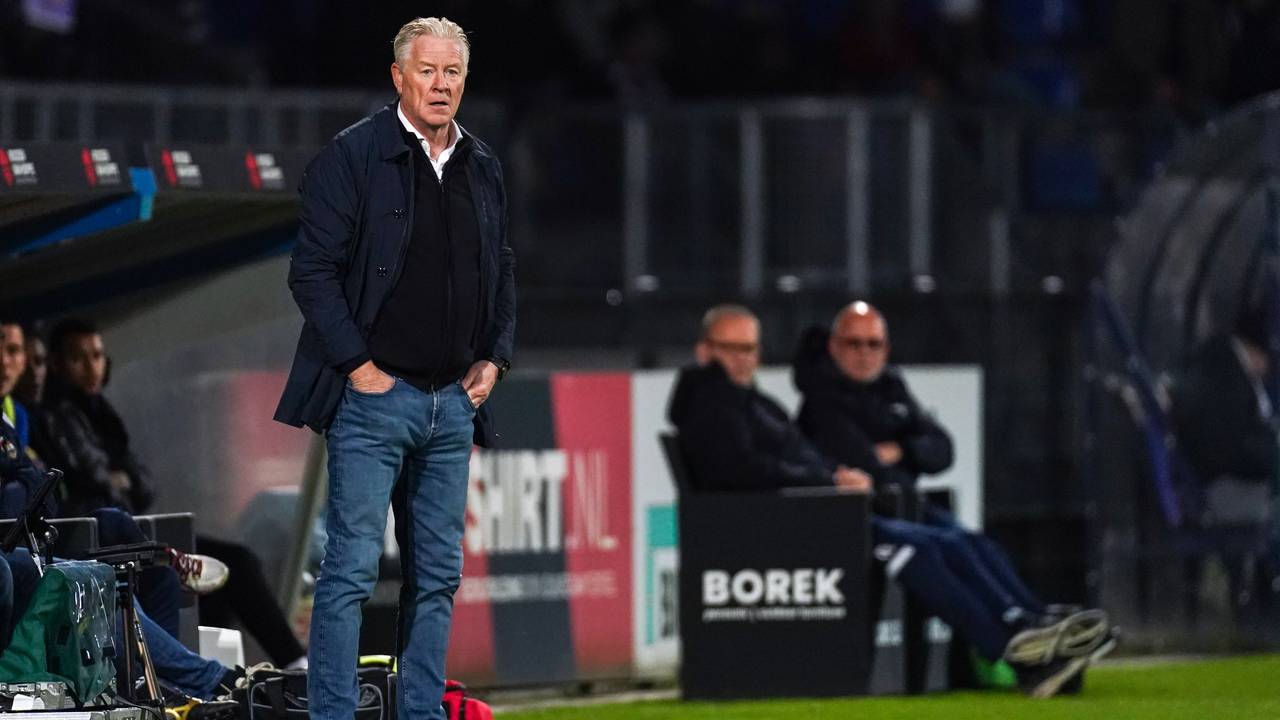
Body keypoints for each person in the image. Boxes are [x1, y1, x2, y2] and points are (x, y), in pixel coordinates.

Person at [667, 304, 1111, 698]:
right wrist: (829, 480)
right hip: (794, 524)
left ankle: (1028, 628)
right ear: (705, 351)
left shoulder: (753, 402)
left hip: (823, 510)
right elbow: (741, 471)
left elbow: (938, 448)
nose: (744, 359)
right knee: (920, 549)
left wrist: (836, 475)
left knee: (954, 542)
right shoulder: (713, 403)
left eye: (750, 349)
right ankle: (1019, 652)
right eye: (732, 349)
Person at [273, 16, 516, 720]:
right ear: (399, 76)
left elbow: (501, 269)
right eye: (429, 71)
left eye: (453, 74)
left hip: (452, 402)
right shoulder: (353, 156)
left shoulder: (483, 164)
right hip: (374, 400)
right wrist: (359, 367)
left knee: (437, 577)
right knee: (348, 572)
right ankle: (333, 715)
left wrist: (496, 358)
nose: (441, 86)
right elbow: (311, 272)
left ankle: (420, 713)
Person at [35, 319, 305, 669]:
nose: (91, 367)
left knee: (227, 568)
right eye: (78, 358)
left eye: (98, 356)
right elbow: (95, 477)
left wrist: (122, 479)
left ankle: (223, 672)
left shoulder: (101, 414)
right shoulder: (57, 415)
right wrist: (120, 479)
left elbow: (143, 484)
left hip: (131, 526)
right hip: (99, 537)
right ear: (57, 364)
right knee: (227, 564)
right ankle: (284, 663)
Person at [793, 301, 1051, 619]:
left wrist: (902, 451)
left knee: (977, 544)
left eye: (873, 344)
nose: (864, 353)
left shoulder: (891, 387)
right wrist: (908, 458)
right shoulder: (821, 400)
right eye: (854, 343)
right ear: (834, 346)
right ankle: (1010, 625)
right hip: (866, 515)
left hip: (907, 503)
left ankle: (1034, 617)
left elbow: (942, 449)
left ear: (886, 348)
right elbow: (870, 468)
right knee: (950, 547)